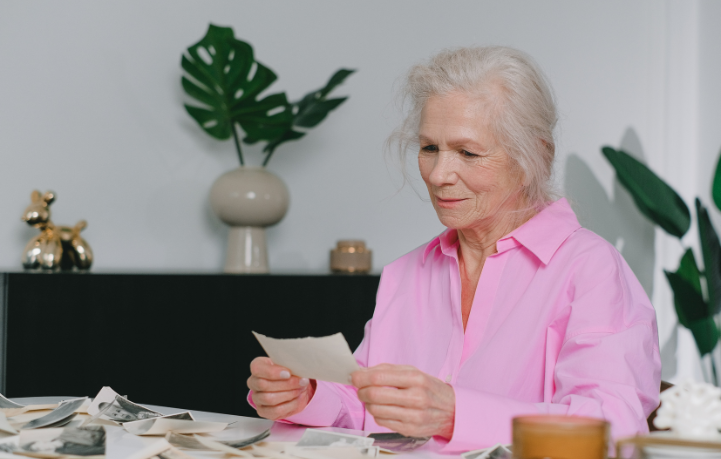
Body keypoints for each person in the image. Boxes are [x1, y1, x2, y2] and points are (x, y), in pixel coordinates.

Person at [247, 46, 661, 452]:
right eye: (430, 148)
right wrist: (307, 396)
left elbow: (614, 430)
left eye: (468, 152)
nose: (440, 174)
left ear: (536, 156)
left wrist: (453, 414)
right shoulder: (407, 273)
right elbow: (369, 410)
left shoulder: (590, 268)